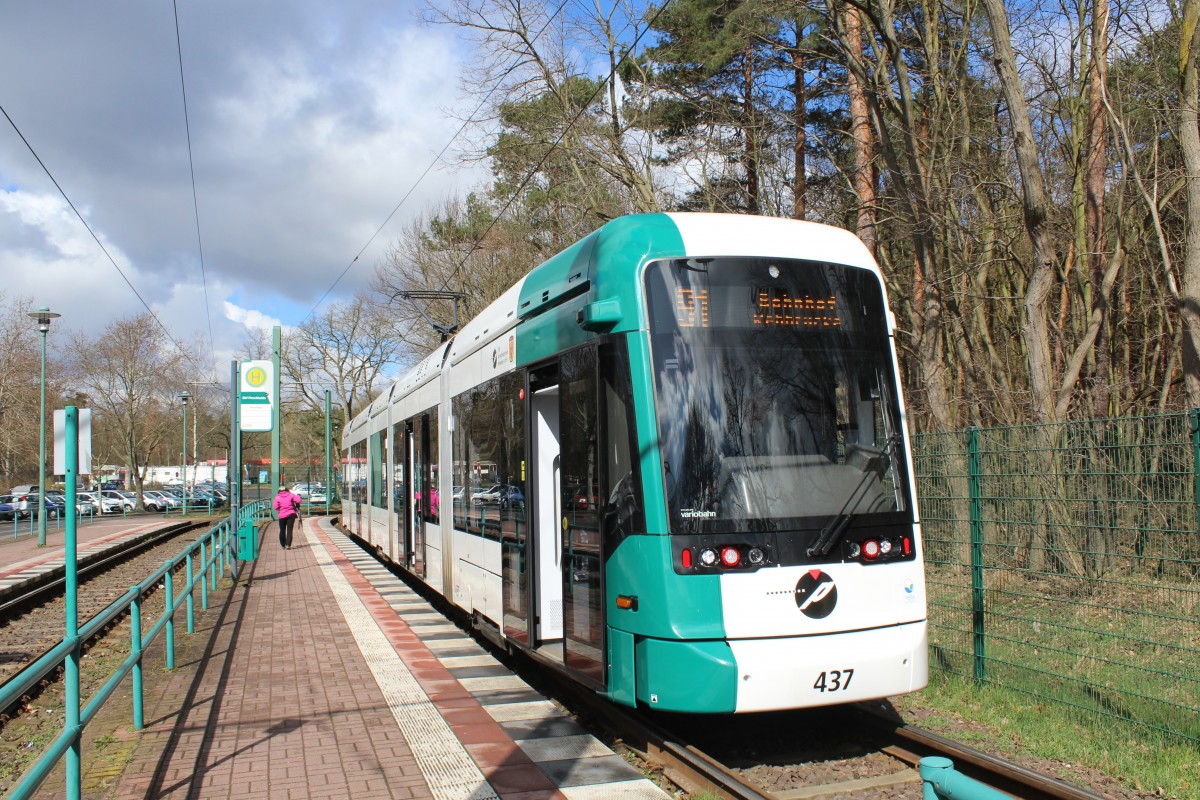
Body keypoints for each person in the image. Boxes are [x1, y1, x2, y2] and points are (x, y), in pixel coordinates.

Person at [274, 485, 302, 549]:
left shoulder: (277, 497)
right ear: (286, 490)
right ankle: (288, 545)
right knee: (289, 530)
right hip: (291, 514)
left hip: (282, 515)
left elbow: (275, 507)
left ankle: (283, 545)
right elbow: (298, 500)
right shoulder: (290, 495)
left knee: (282, 530)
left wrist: (280, 508)